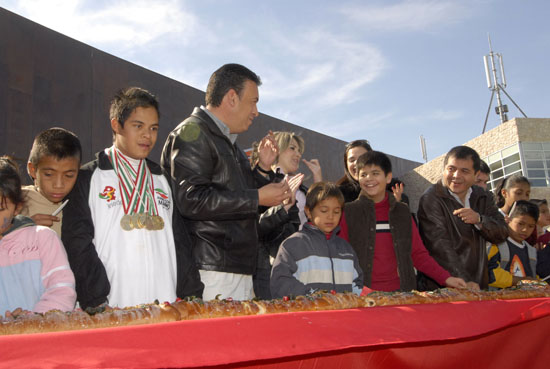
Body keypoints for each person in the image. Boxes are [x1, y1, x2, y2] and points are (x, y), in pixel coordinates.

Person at [62, 87, 202, 311]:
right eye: (138, 126)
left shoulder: (162, 180)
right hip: (111, 308)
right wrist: (95, 300)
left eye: (153, 128)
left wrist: (191, 294)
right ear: (116, 125)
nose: (148, 136)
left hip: (165, 305)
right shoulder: (89, 177)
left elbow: (180, 243)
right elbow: (77, 243)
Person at [161, 64, 290, 301]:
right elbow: (192, 199)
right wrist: (258, 197)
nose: (256, 111)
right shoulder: (193, 132)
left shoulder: (229, 142)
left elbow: (235, 194)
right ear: (232, 98)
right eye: (253, 101)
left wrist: (262, 169)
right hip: (211, 271)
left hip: (234, 269)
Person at [339, 151, 467, 292]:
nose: (369, 179)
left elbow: (418, 254)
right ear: (357, 177)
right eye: (363, 174)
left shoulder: (402, 212)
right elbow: (342, 256)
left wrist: (446, 278)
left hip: (402, 293)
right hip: (362, 295)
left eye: (375, 173)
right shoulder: (349, 212)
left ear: (388, 177)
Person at [417, 146, 508, 290]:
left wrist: (480, 220)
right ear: (444, 169)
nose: (456, 176)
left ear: (476, 174)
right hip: (444, 288)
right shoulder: (431, 198)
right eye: (451, 169)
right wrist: (464, 282)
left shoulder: (483, 196)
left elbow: (502, 233)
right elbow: (440, 246)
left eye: (464, 171)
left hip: (478, 284)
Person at [0, 156, 76, 315]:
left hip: (38, 336)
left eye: (1, 209)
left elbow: (62, 290)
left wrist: (34, 319)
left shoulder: (43, 239)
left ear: (17, 208)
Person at [270, 182, 363, 298]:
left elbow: (357, 285)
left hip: (343, 314)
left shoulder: (347, 249)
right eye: (324, 210)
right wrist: (314, 296)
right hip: (307, 314)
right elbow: (280, 283)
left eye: (336, 212)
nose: (330, 216)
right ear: (308, 211)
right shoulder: (293, 245)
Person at [21, 127, 81, 237]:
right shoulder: (15, 200)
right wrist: (20, 229)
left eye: (69, 175)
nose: (58, 185)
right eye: (48, 174)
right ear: (32, 169)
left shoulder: (81, 205)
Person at [271, 131, 322, 227]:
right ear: (277, 149)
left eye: (299, 151)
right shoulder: (265, 180)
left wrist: (318, 179)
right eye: (292, 148)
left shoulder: (301, 187)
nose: (298, 154)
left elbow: (320, 215)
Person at [487, 200, 539, 288]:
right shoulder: (495, 244)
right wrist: (520, 281)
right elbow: (490, 274)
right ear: (508, 219)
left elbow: (534, 276)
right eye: (520, 224)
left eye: (530, 226)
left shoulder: (532, 251)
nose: (525, 230)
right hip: (499, 299)